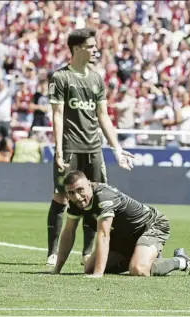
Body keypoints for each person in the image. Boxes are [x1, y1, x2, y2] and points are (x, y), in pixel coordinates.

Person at [47, 28, 135, 267]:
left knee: (93, 197)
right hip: (70, 147)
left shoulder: (97, 78)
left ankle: (87, 252)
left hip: (93, 148)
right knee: (62, 196)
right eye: (91, 46)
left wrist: (116, 148)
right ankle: (53, 252)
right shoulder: (60, 77)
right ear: (77, 49)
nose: (96, 50)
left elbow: (103, 115)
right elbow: (57, 114)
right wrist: (58, 148)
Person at [52, 170, 190, 277]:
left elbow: (104, 235)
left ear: (89, 184)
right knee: (88, 268)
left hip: (150, 225)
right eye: (71, 192)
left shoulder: (104, 197)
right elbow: (68, 232)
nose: (77, 196)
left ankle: (180, 260)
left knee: (138, 269)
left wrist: (98, 274)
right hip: (122, 236)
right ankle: (141, 256)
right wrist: (57, 269)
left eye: (80, 190)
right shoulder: (75, 202)